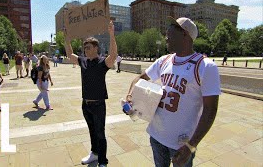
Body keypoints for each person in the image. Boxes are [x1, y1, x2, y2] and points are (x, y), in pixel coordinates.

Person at [125, 17, 221, 167]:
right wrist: (130, 97)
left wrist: (191, 145)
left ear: (184, 34)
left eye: (170, 31)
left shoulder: (205, 66)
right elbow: (140, 78)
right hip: (156, 136)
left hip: (181, 144)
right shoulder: (164, 60)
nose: (166, 36)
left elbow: (210, 110)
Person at [64, 21, 117, 167]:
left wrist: (111, 34)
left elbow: (113, 55)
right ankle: (94, 154)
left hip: (99, 104)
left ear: (96, 48)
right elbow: (70, 54)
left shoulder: (102, 62)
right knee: (92, 131)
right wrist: (67, 38)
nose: (85, 50)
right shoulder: (83, 61)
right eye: (84, 48)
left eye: (88, 48)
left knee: (100, 134)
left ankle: (102, 161)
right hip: (85, 104)